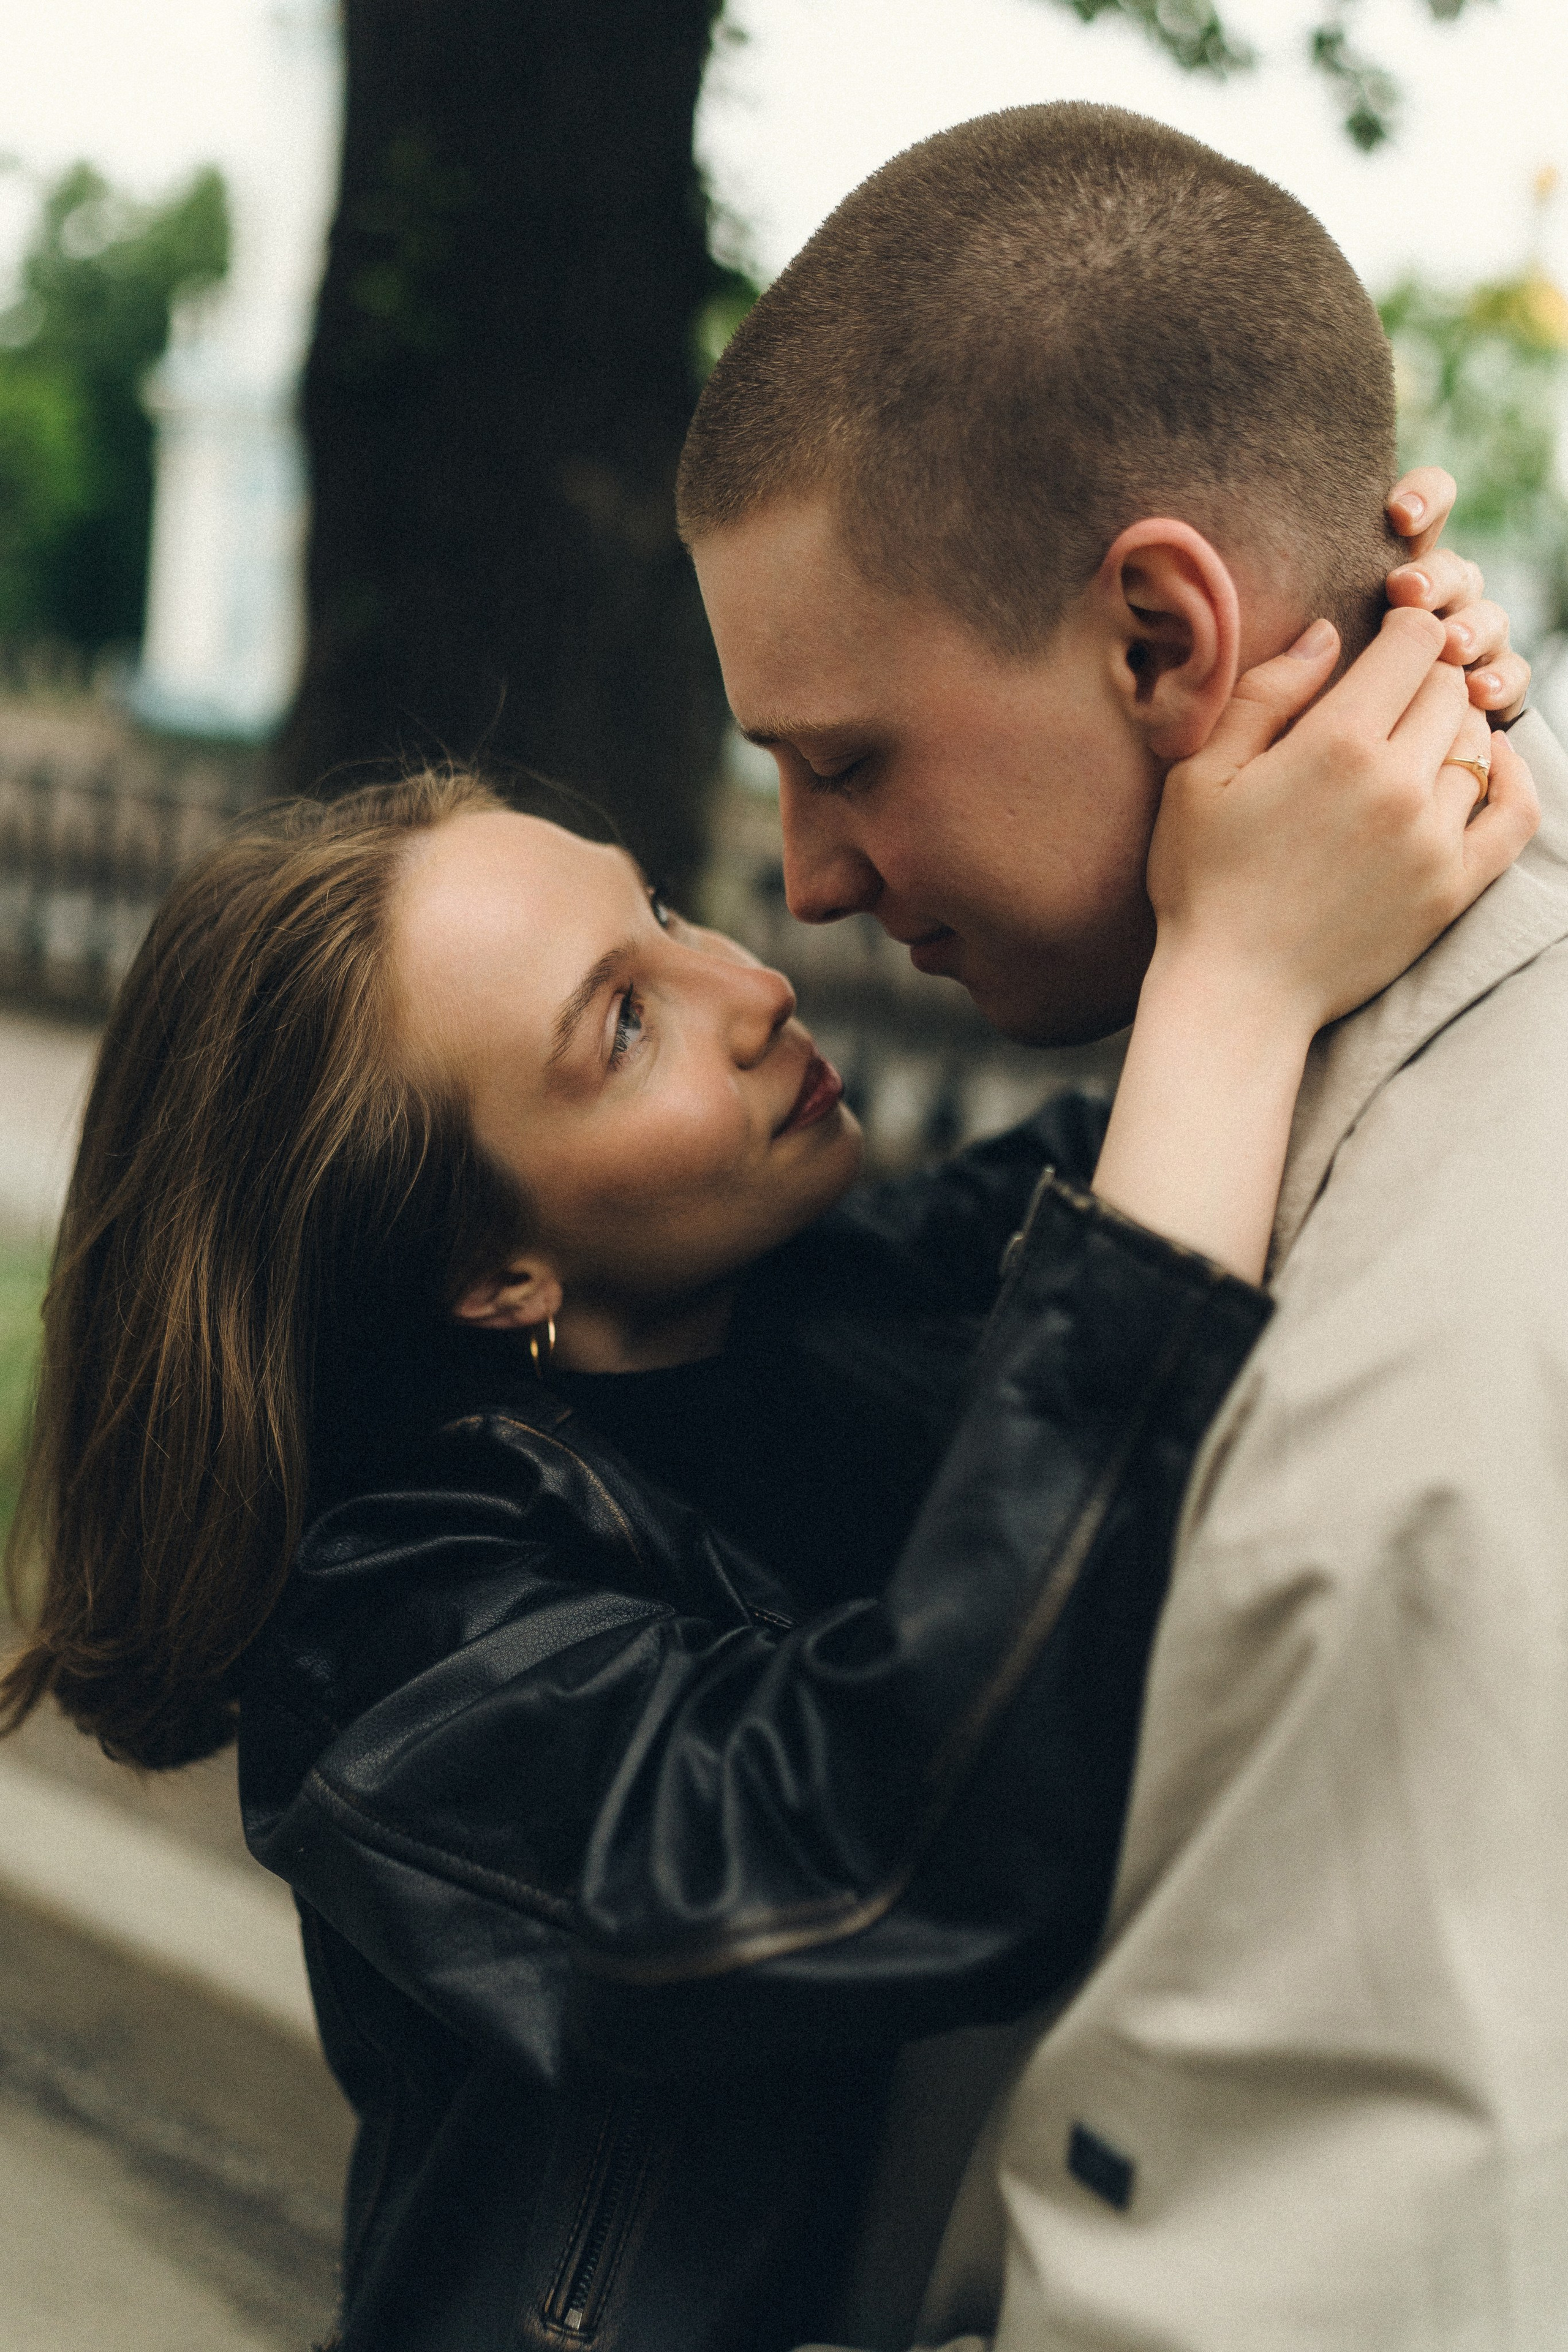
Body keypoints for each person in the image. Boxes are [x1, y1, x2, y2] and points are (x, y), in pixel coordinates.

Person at [0, 486, 1523, 2350]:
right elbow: (872, 1843)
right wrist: (1234, 975)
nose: (747, 974)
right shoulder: (390, 1664)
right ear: (491, 1274)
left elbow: (1161, 1199)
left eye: (654, 910)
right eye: (619, 1025)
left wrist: (1365, 692)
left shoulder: (836, 1297)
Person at [676, 104, 1568, 2350]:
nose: (805, 882)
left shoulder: (1415, 1395)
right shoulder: (1286, 1122)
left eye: (851, 756)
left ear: (1167, 641)